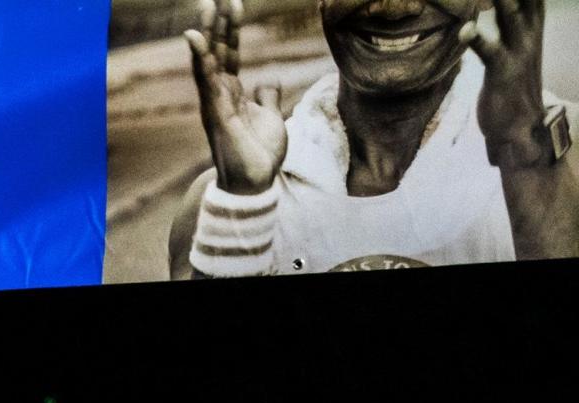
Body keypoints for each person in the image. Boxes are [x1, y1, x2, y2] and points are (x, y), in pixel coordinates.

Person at [172, 0, 578, 280]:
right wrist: (242, 203)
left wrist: (525, 157)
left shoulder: (564, 161)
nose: (392, 7)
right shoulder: (220, 206)